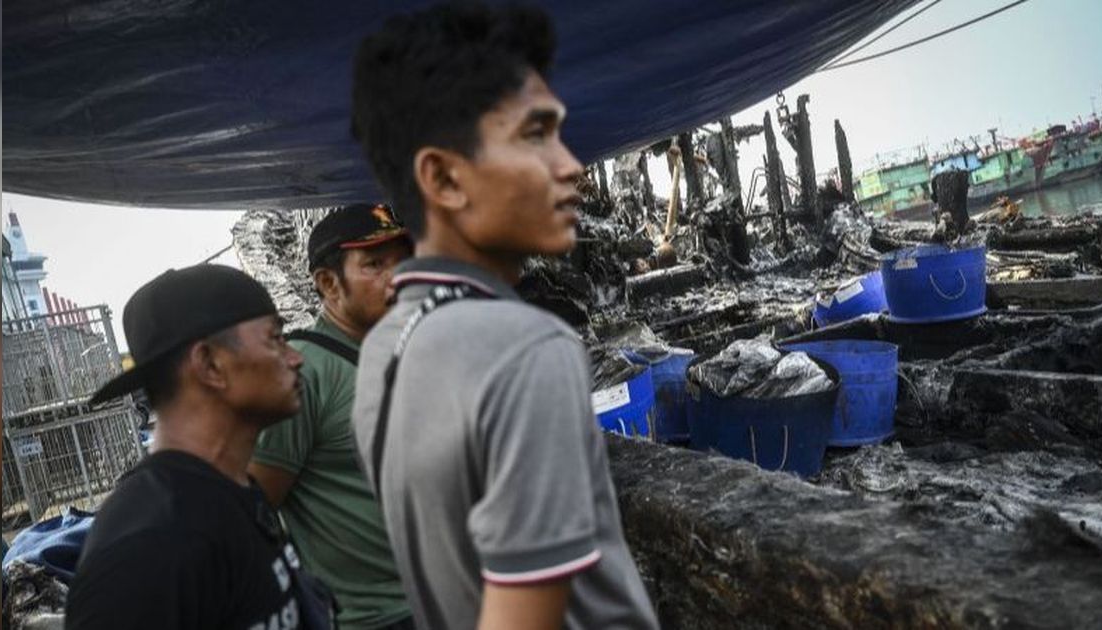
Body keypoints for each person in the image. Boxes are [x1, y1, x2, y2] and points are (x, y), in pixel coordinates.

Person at [349, 3, 659, 629]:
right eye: (535, 134)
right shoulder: (525, 347)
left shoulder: (383, 352)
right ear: (443, 178)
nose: (571, 164)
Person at [65, 264, 326, 630]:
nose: (296, 357)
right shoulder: (148, 545)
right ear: (210, 365)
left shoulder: (234, 492)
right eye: (275, 338)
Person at [249, 204, 414, 630]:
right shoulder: (304, 371)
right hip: (375, 619)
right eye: (375, 264)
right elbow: (255, 509)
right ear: (328, 283)